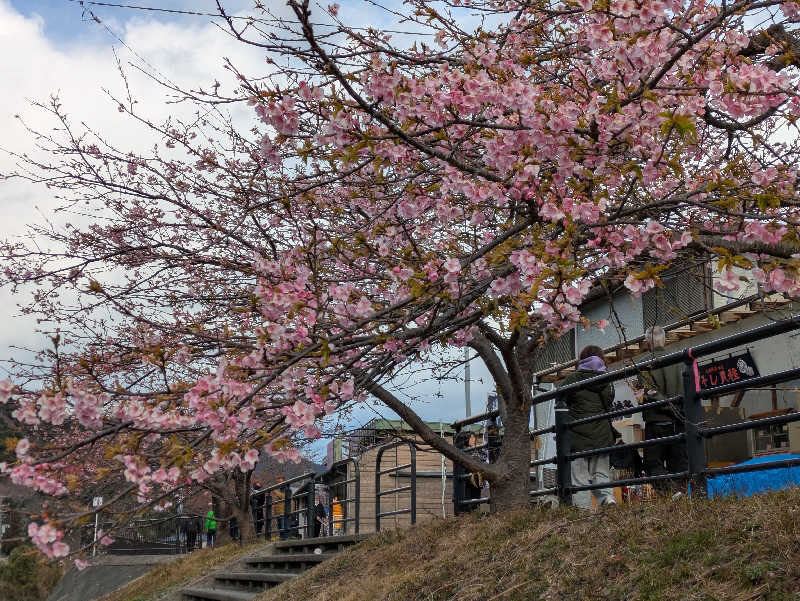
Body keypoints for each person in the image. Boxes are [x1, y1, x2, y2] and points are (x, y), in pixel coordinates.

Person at [558, 345, 617, 509]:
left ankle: (584, 512)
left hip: (578, 433)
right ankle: (607, 500)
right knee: (601, 472)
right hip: (602, 433)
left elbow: (560, 397)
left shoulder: (573, 379)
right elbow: (609, 401)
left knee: (579, 477)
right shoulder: (606, 379)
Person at [638, 325, 688, 489]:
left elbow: (649, 392)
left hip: (656, 421)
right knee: (680, 465)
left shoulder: (644, 364)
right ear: (665, 340)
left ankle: (670, 494)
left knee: (654, 465)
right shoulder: (679, 360)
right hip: (679, 421)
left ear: (647, 343)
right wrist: (676, 409)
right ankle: (680, 495)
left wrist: (667, 405)